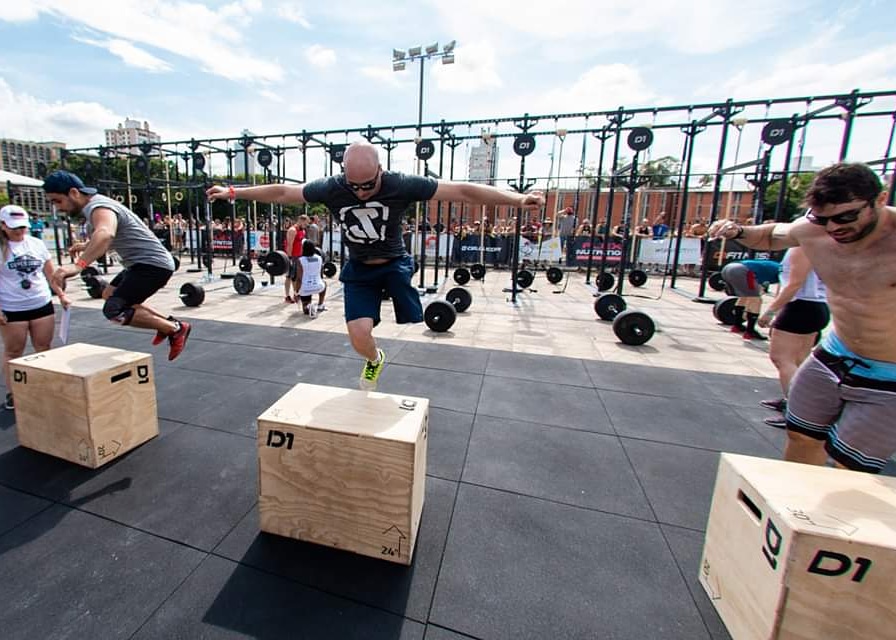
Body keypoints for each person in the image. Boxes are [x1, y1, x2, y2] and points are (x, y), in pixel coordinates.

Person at [207, 141, 543, 390]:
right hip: (359, 270)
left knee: (413, 315)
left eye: (369, 185)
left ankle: (402, 299)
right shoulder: (333, 188)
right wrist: (233, 192)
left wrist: (516, 199)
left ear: (381, 171)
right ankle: (375, 359)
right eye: (355, 186)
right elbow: (282, 192)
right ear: (344, 177)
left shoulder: (402, 183)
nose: (363, 193)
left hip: (395, 263)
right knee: (358, 335)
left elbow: (463, 191)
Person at [708, 162, 896, 473]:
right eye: (825, 219)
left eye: (846, 216)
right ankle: (795, 513)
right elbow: (770, 235)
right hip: (834, 354)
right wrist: (738, 230)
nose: (835, 227)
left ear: (880, 198)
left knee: (851, 466)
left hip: (888, 374)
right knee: (800, 435)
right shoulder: (815, 231)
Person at [42, 170, 191, 361]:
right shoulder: (98, 206)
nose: (57, 208)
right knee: (109, 294)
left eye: (57, 201)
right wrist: (86, 246)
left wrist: (78, 266)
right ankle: (168, 325)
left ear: (73, 193)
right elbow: (110, 235)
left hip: (152, 265)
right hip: (140, 264)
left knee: (114, 311)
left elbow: (105, 234)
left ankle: (174, 329)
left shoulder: (99, 207)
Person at [0, 205, 71, 410]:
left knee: (44, 348)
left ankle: (44, 386)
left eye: (23, 226)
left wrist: (62, 295)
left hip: (40, 303)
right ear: (3, 225)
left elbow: (50, 275)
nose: (20, 231)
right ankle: (13, 392)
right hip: (12, 307)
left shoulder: (36, 244)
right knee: (14, 352)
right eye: (15, 227)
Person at [756, 247, 829, 428]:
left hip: (801, 306)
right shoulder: (818, 247)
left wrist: (770, 311)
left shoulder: (802, 248)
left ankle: (795, 410)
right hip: (815, 306)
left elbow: (794, 284)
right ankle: (797, 405)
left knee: (782, 359)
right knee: (799, 360)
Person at [719, 257, 780, 340]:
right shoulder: (786, 271)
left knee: (745, 297)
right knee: (756, 300)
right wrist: (770, 314)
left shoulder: (777, 266)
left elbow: (759, 284)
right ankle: (750, 332)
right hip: (743, 271)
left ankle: (737, 326)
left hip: (728, 268)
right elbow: (780, 294)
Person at [295, 239, 327, 318]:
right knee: (325, 284)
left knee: (305, 311)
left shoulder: (300, 260)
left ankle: (309, 307)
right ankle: (320, 304)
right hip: (318, 286)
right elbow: (320, 274)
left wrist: (296, 293)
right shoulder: (319, 258)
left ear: (303, 248)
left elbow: (299, 279)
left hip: (305, 289)